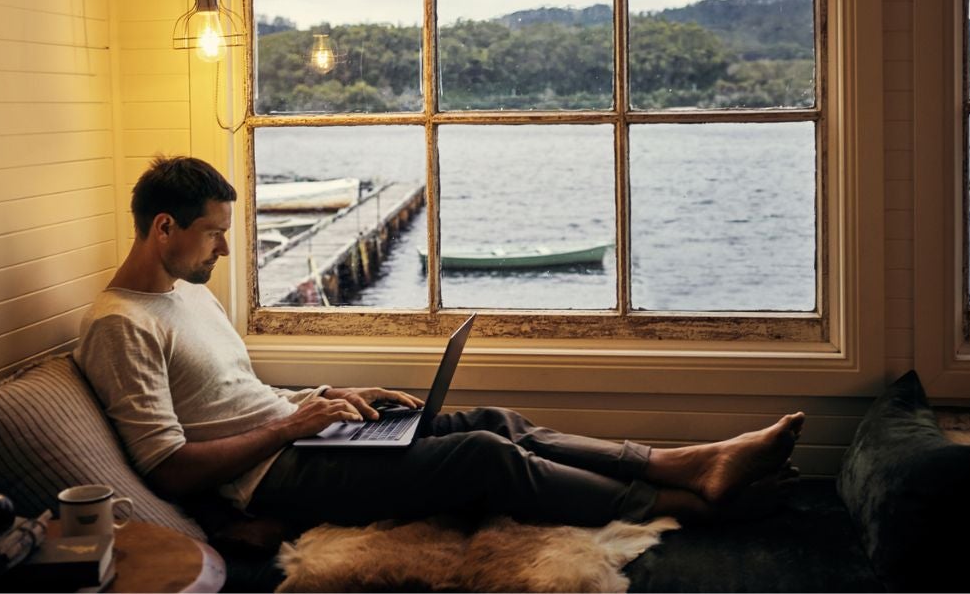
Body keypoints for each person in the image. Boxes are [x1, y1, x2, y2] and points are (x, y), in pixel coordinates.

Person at [75, 156, 805, 530]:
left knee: (492, 420)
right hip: (276, 478)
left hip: (301, 437)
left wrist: (329, 401)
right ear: (164, 227)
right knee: (482, 457)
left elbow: (233, 400)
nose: (225, 250)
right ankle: (679, 507)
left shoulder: (187, 294)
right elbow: (169, 470)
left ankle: (684, 460)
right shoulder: (120, 324)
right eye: (214, 233)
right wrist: (292, 426)